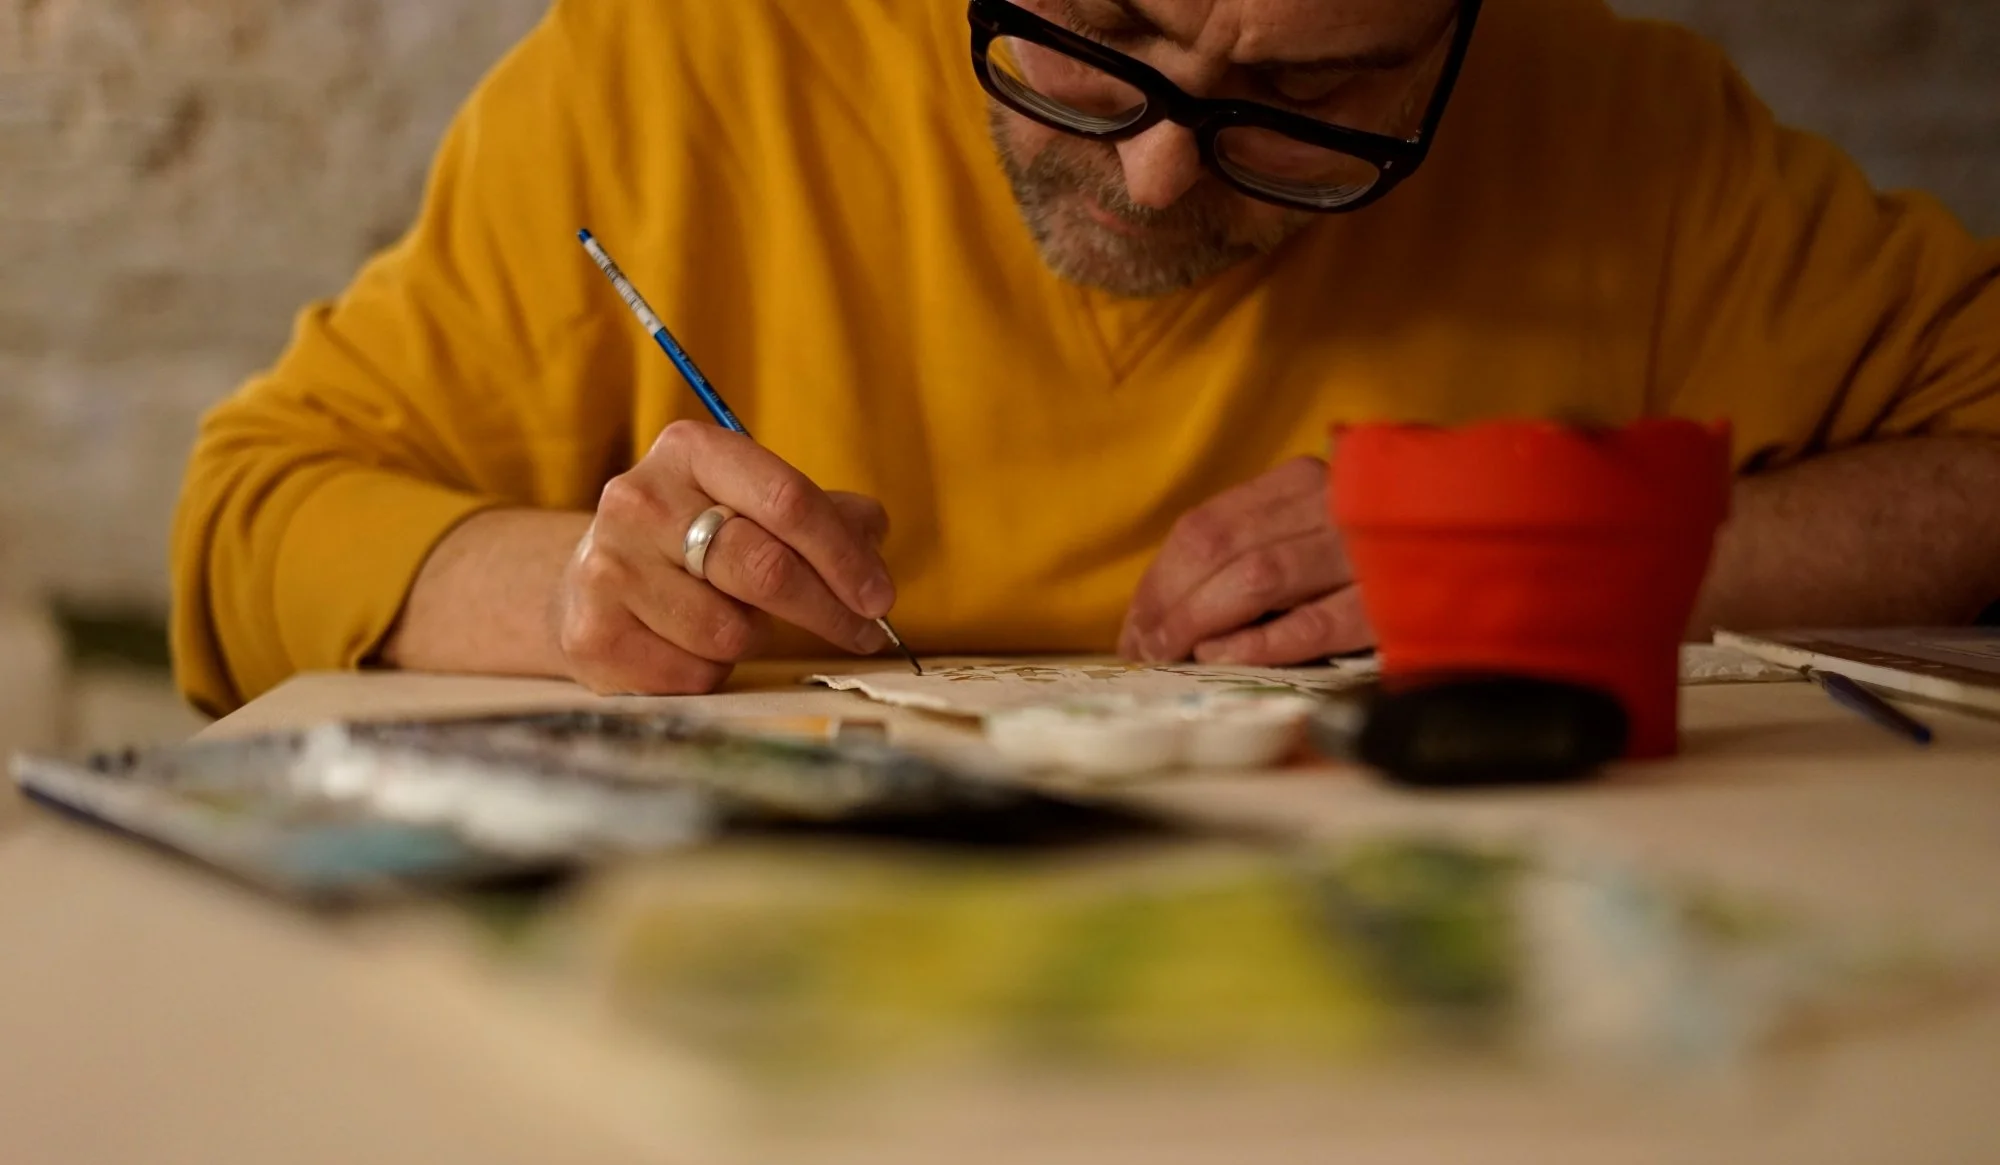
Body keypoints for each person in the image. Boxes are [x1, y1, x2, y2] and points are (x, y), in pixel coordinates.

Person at [169, 0, 2000, 715]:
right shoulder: (676, 68)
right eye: (1096, 30)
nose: (1161, 167)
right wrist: (570, 589)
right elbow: (249, 520)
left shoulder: (1625, 126)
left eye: (1307, 97)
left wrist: (1575, 547)